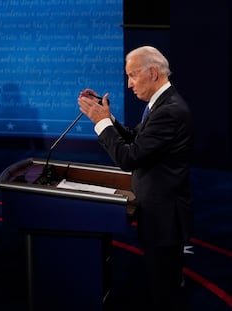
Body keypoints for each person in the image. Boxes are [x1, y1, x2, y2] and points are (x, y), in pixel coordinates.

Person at [77, 46, 194, 310]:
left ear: (152, 73)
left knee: (164, 291)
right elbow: (136, 140)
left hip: (165, 219)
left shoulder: (169, 111)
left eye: (132, 75)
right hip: (159, 214)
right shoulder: (163, 104)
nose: (129, 84)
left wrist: (101, 123)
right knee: (161, 284)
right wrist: (106, 117)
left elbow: (129, 157)